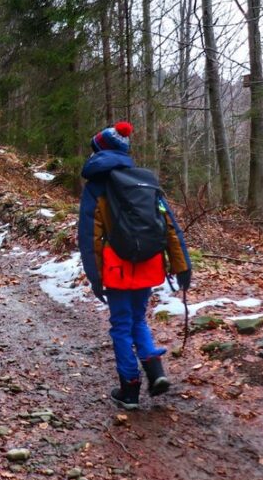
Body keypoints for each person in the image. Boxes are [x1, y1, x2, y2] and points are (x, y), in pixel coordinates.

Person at [77, 122, 192, 409]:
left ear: (99, 151)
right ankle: (155, 373)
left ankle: (129, 389)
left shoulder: (96, 187)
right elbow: (169, 226)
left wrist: (94, 277)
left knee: (120, 326)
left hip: (117, 268)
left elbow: (89, 237)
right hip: (149, 263)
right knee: (138, 319)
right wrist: (182, 266)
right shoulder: (145, 180)